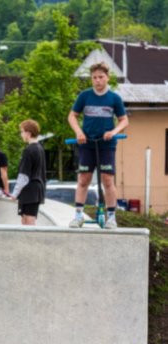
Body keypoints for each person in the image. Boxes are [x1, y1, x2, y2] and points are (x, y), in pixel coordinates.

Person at [67, 62, 128, 229]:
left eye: (101, 77)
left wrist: (114, 132)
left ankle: (111, 217)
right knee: (84, 178)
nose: (97, 81)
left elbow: (124, 120)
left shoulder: (114, 98)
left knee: (107, 180)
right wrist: (78, 132)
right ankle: (78, 215)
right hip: (87, 143)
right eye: (94, 78)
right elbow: (72, 116)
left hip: (106, 144)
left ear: (107, 78)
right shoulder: (84, 96)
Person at [9, 120, 46, 226]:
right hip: (37, 189)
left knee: (28, 219)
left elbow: (24, 176)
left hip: (30, 190)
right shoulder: (40, 148)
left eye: (22, 132)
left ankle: (32, 241)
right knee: (26, 218)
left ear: (28, 133)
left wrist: (15, 193)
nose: (21, 134)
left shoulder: (29, 150)